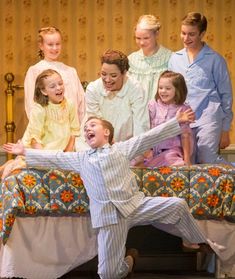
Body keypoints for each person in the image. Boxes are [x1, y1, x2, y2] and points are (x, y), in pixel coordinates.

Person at [3, 113, 225, 279]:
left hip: (136, 204)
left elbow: (148, 138)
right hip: (110, 218)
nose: (87, 129)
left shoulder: (121, 149)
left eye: (92, 125)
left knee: (177, 205)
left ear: (106, 132)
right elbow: (55, 158)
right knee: (108, 274)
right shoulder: (81, 159)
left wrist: (176, 122)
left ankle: (195, 240)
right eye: (85, 128)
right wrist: (25, 153)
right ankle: (129, 260)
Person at [168, 12, 233, 164]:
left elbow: (226, 95)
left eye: (191, 34)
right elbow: (172, 93)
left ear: (202, 34)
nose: (186, 38)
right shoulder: (174, 59)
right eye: (183, 33)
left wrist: (225, 129)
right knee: (189, 161)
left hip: (209, 117)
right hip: (184, 120)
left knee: (207, 158)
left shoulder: (215, 59)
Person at [0, 69, 80, 179]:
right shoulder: (39, 109)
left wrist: (67, 154)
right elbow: (35, 139)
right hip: (40, 151)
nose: (58, 87)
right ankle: (12, 164)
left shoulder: (70, 104)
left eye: (60, 83)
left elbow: (74, 131)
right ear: (44, 91)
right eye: (52, 86)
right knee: (16, 170)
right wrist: (43, 159)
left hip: (60, 152)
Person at [24, 26, 85, 125]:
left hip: (72, 127)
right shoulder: (34, 71)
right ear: (41, 46)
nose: (55, 48)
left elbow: (81, 102)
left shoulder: (70, 71)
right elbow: (31, 104)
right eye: (50, 44)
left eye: (58, 44)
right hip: (48, 130)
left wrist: (81, 128)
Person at [85, 49, 149, 143]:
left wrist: (136, 150)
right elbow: (94, 124)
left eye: (113, 75)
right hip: (99, 142)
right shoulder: (93, 89)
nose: (107, 80)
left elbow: (141, 124)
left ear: (124, 73)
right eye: (103, 74)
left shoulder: (135, 88)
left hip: (128, 145)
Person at [144, 70, 193, 167]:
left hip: (172, 150)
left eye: (168, 88)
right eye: (160, 88)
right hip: (153, 151)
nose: (163, 91)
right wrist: (147, 150)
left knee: (172, 160)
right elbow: (146, 130)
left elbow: (185, 136)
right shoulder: (153, 105)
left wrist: (187, 159)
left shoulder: (183, 109)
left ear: (178, 90)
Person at [128, 14, 172, 103]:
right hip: (137, 113)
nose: (141, 42)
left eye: (146, 38)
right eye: (138, 38)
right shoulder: (131, 60)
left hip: (162, 114)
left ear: (156, 34)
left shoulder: (170, 58)